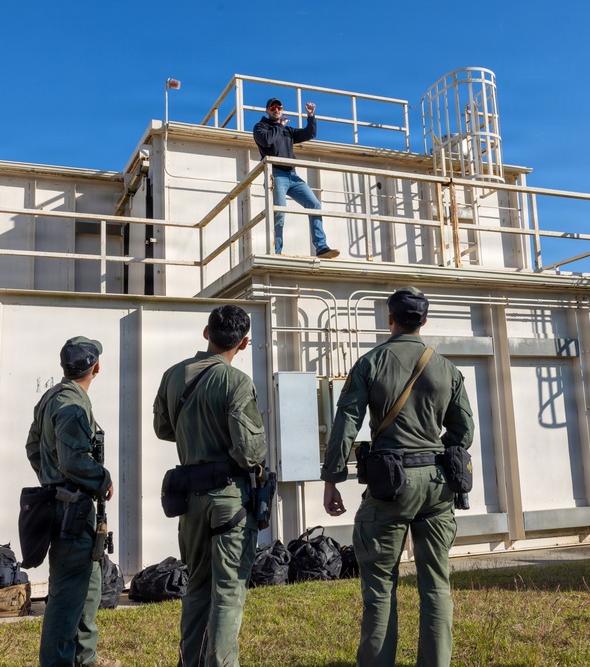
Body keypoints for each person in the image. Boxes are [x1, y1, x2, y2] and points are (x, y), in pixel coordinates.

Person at [321, 287, 474, 667]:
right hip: (437, 483)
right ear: (423, 321)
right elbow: (464, 432)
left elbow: (347, 424)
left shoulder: (370, 363)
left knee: (379, 588)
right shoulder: (446, 368)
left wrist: (332, 478)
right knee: (436, 585)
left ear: (389, 319)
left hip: (390, 484)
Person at [153, 305, 267, 667]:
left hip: (190, 498)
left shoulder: (173, 375)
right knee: (229, 589)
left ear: (207, 333)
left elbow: (162, 429)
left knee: (197, 586)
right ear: (245, 343)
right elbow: (250, 452)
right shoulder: (237, 382)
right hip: (229, 500)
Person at [25, 337, 120, 667]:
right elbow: (75, 461)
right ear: (96, 368)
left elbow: (33, 447)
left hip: (69, 508)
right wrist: (102, 478)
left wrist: (51, 482)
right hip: (72, 512)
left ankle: (85, 656)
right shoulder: (73, 406)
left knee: (89, 588)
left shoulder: (52, 397)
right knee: (67, 597)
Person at [253, 97, 340, 259]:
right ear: (267, 111)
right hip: (276, 174)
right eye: (273, 108)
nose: (276, 110)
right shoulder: (261, 127)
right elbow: (266, 141)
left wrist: (311, 116)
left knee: (314, 205)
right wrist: (279, 126)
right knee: (279, 213)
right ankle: (276, 251)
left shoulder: (288, 130)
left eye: (279, 107)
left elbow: (310, 133)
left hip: (292, 175)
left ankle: (321, 247)